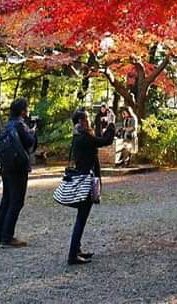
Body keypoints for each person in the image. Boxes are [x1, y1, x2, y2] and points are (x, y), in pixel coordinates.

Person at [66, 108, 115, 265]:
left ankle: (76, 250)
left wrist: (104, 125)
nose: (88, 121)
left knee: (82, 216)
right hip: (86, 181)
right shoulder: (84, 137)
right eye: (86, 119)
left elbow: (97, 138)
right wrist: (112, 123)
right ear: (80, 121)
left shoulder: (78, 135)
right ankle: (73, 254)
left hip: (83, 179)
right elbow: (104, 141)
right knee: (81, 218)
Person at [0, 97, 37, 248]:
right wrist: (33, 132)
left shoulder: (8, 124)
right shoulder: (20, 124)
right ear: (23, 110)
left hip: (6, 166)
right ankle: (7, 237)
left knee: (6, 200)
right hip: (18, 167)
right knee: (16, 201)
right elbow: (30, 142)